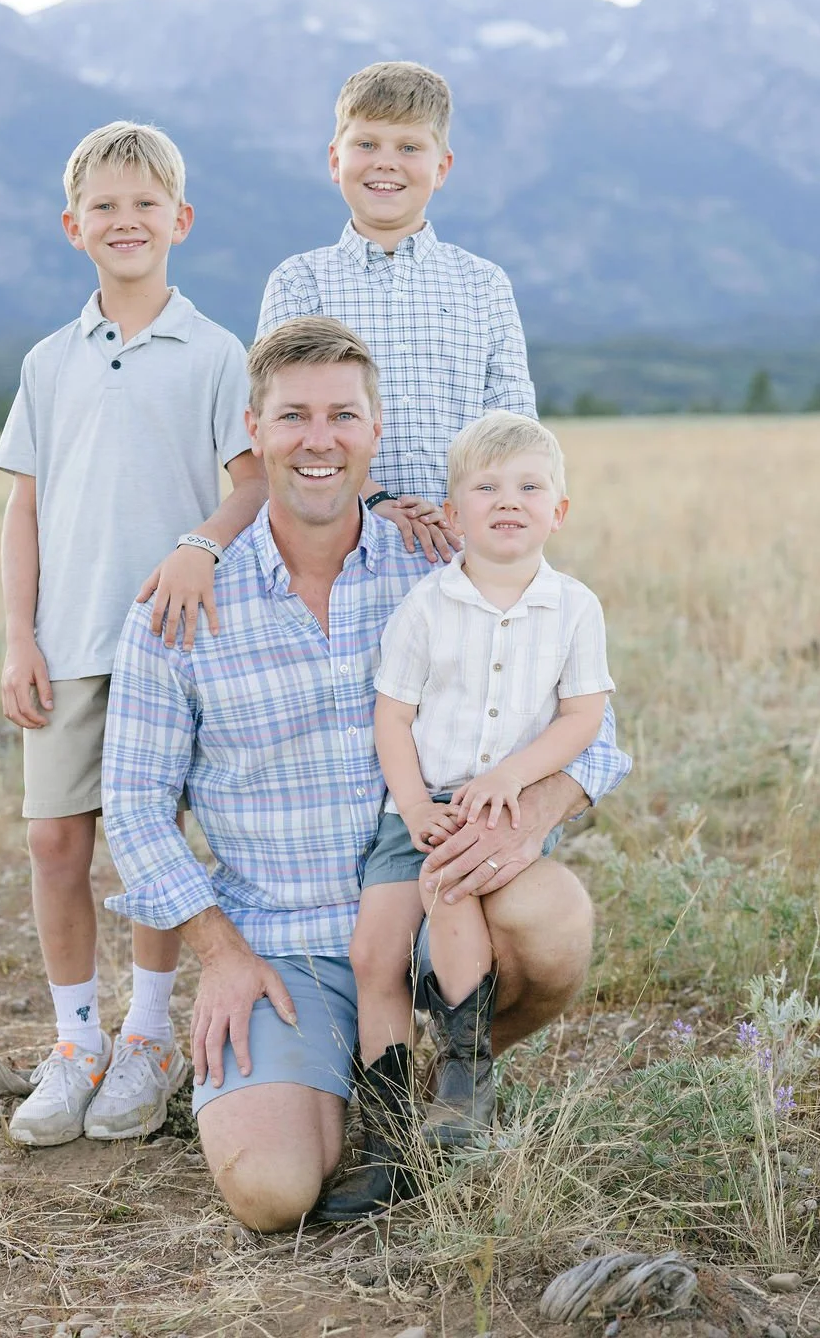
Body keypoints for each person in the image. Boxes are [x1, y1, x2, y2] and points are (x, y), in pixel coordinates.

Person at [101, 319, 630, 1231]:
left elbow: (596, 732)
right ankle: (344, 1081)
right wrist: (221, 956)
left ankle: (446, 1075)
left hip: (437, 903)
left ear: (375, 432)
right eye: (294, 416)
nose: (319, 439)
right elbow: (136, 810)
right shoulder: (181, 607)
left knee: (555, 915)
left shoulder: (440, 563)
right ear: (254, 432)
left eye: (343, 415)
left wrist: (532, 817)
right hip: (282, 943)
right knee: (271, 1193)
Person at [0, 120, 266, 1147]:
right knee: (56, 838)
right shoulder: (49, 360)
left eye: (145, 204)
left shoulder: (214, 352)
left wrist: (198, 544)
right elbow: (23, 508)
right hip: (68, 641)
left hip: (174, 641)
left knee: (153, 846)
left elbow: (252, 482)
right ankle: (75, 1041)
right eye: (104, 206)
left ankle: (149, 1037)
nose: (125, 221)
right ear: (73, 227)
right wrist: (20, 637)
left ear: (180, 221)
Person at [321, 410, 615, 1218]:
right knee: (372, 950)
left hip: (505, 803)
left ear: (559, 510)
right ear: (453, 515)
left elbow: (582, 719)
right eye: (485, 487)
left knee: (451, 896)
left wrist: (512, 780)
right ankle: (386, 1142)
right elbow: (393, 716)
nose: (507, 500)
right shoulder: (426, 606)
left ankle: (462, 1086)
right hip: (417, 807)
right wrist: (414, 806)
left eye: (528, 486)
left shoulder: (573, 608)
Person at [256, 60, 536, 563]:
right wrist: (377, 500)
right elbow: (286, 421)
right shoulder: (299, 282)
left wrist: (466, 511)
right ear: (335, 160)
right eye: (366, 144)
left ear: (442, 167)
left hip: (462, 546)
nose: (386, 162)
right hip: (338, 548)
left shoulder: (484, 284)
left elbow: (514, 428)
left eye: (409, 147)